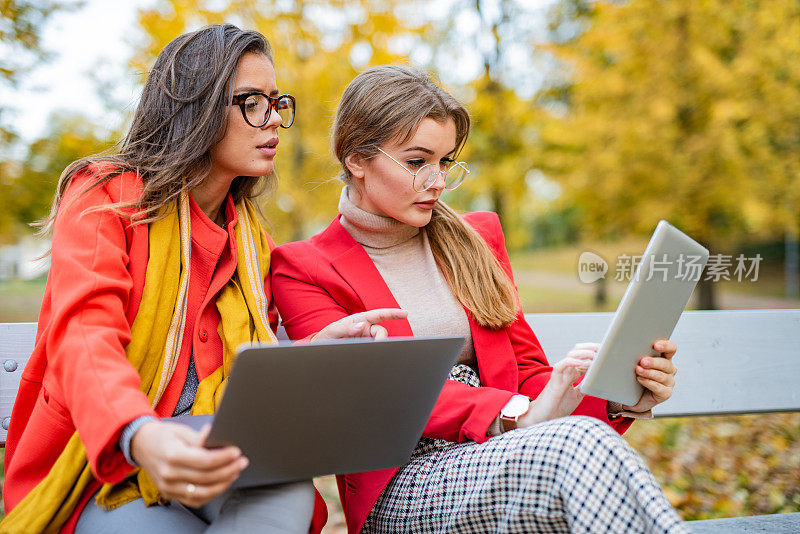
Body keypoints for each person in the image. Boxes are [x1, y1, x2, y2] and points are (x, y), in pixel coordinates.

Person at [1, 24, 403, 534]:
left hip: (219, 454)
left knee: (288, 496)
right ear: (197, 107)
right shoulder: (105, 195)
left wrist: (312, 355)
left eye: (277, 101)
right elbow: (85, 333)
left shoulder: (251, 237)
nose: (274, 119)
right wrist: (141, 435)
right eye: (252, 102)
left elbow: (242, 365)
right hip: (102, 465)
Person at [270, 64, 688, 534]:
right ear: (356, 158)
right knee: (580, 446)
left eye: (446, 162)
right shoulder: (302, 266)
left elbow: (528, 374)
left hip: (513, 455)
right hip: (404, 485)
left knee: (585, 440)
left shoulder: (476, 239)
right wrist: (512, 416)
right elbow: (375, 392)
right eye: (416, 162)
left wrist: (616, 397)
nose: (437, 182)